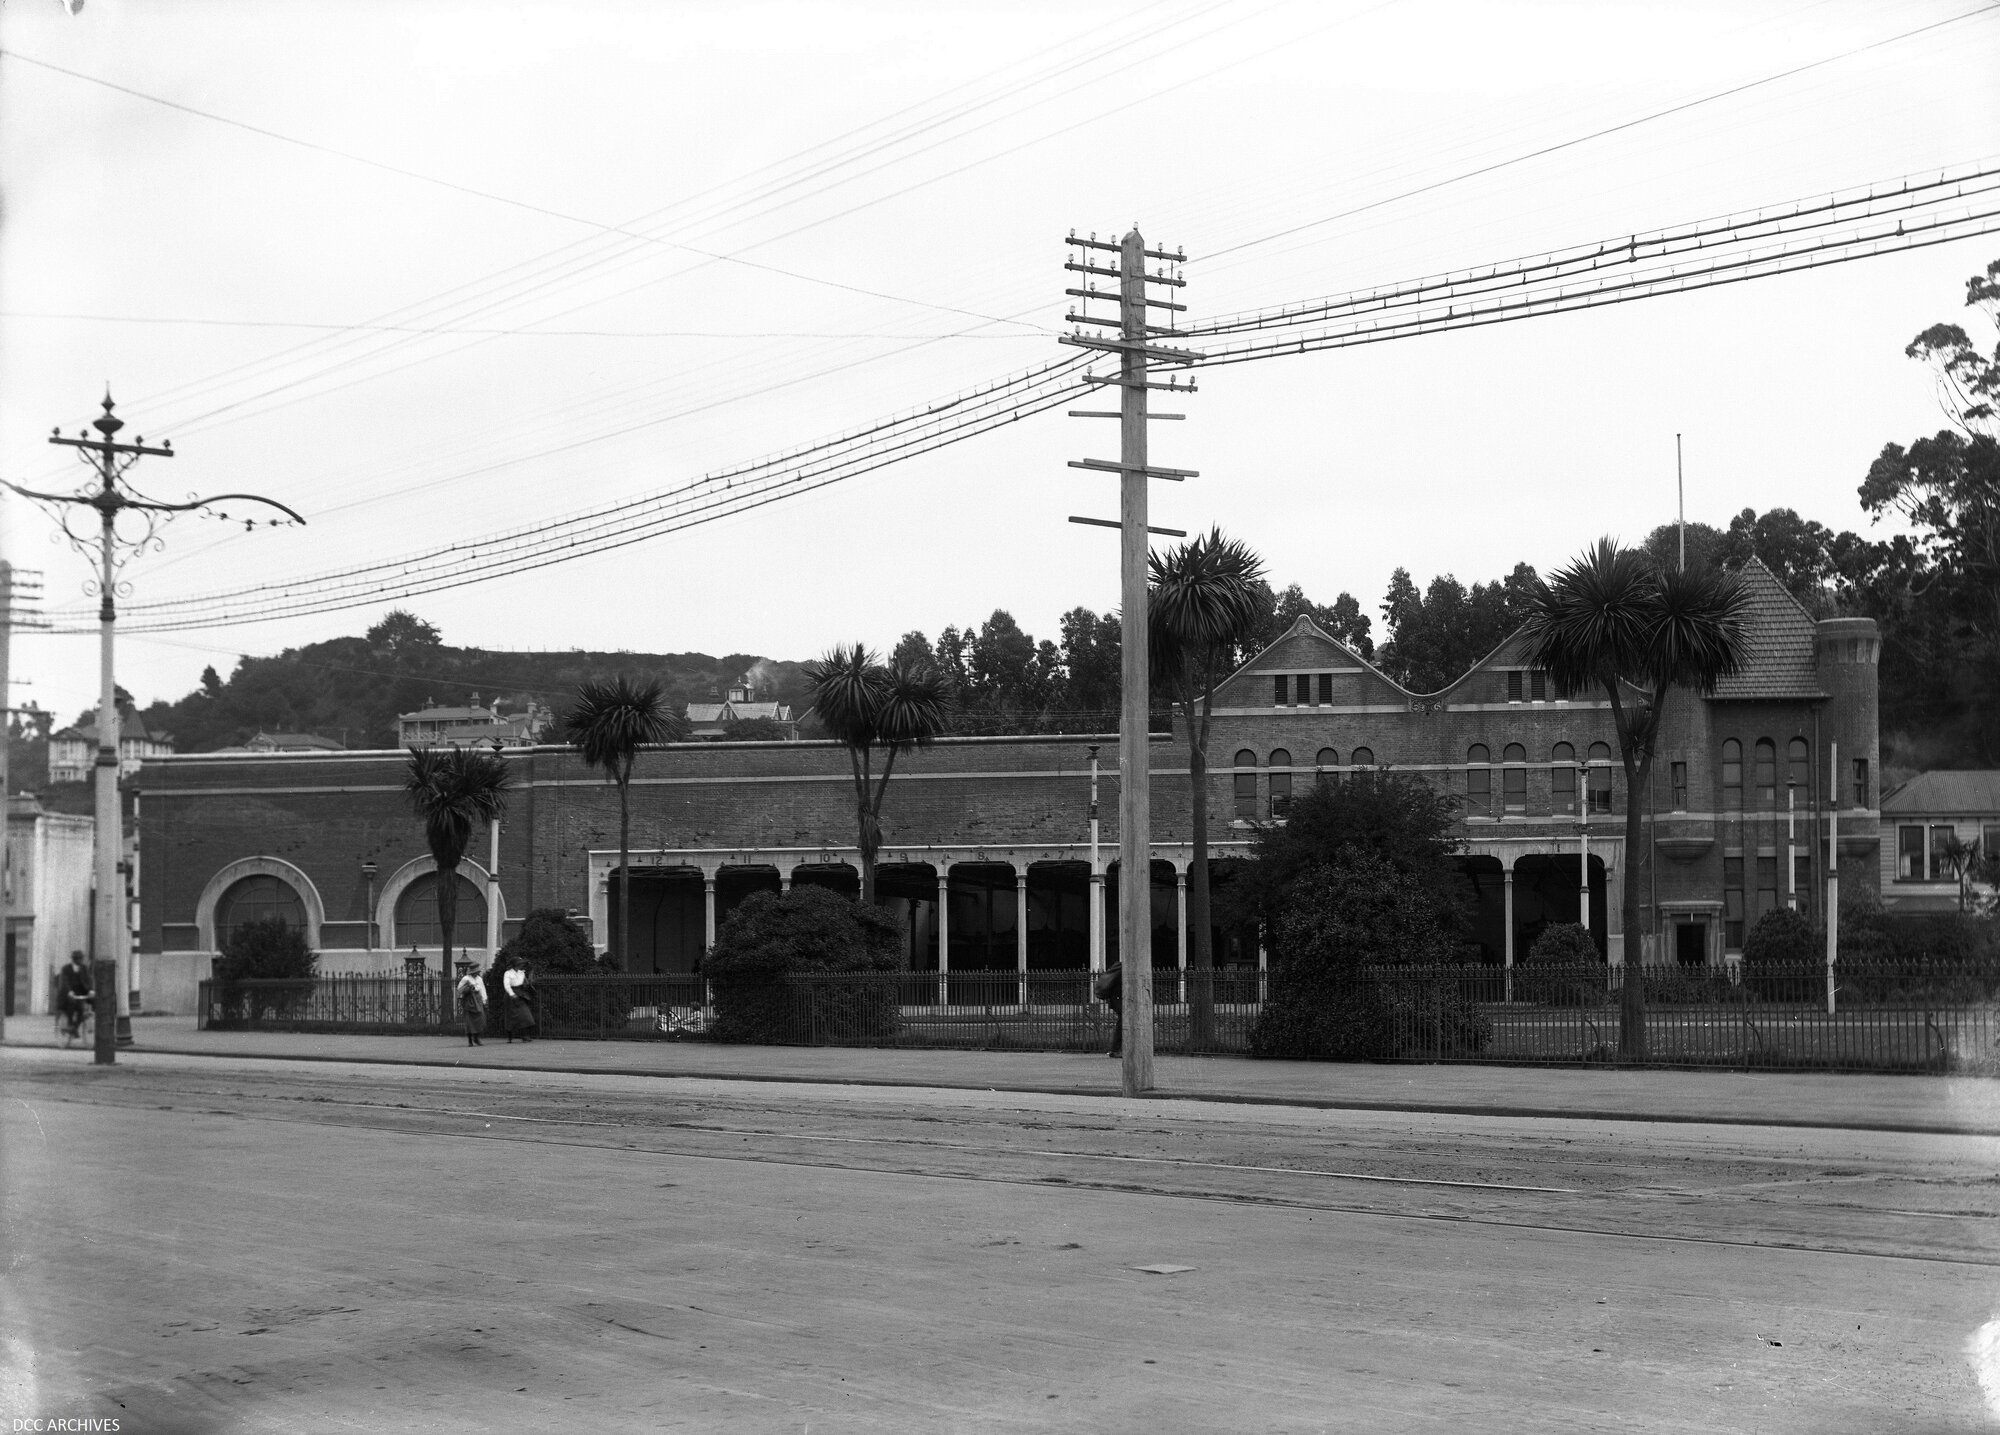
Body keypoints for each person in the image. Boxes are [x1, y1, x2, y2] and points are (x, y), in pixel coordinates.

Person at [56, 950, 94, 1040]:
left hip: (80, 993)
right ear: (74, 960)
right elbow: (65, 981)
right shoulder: (66, 969)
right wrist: (69, 991)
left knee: (82, 1010)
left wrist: (91, 990)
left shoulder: (84, 968)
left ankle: (74, 1028)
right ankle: (70, 1024)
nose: (80, 961)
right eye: (78, 959)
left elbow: (88, 980)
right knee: (72, 1004)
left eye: (81, 959)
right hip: (68, 994)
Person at [1094, 960, 1123, 1058]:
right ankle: (1116, 1049)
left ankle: (1117, 1048)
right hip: (1119, 999)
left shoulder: (1119, 968)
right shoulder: (1123, 968)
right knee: (1123, 1022)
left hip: (1116, 999)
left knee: (1123, 1022)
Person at [501, 963, 537, 1043]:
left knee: (525, 1015)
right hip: (510, 997)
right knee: (510, 1017)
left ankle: (525, 1036)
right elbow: (507, 985)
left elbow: (525, 984)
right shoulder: (508, 973)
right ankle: (510, 1037)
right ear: (515, 965)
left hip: (520, 995)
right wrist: (512, 994)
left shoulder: (522, 973)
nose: (521, 965)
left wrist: (528, 982)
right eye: (519, 964)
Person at [455, 963, 487, 1046]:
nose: (477, 973)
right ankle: (470, 1040)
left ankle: (476, 1037)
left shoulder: (479, 979)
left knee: (480, 1018)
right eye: (476, 971)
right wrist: (468, 988)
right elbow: (459, 989)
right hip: (469, 1000)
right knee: (469, 1021)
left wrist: (484, 999)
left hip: (478, 999)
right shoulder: (466, 978)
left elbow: (482, 989)